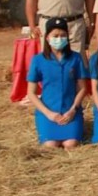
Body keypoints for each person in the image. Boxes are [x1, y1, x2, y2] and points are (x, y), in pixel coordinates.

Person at [26, 17, 88, 150]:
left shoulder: (76, 58)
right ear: (47, 38)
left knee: (71, 144)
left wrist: (73, 110)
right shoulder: (38, 60)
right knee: (50, 145)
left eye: (63, 35)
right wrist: (48, 113)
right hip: (48, 112)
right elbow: (31, 93)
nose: (59, 39)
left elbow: (83, 88)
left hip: (70, 111)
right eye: (55, 36)